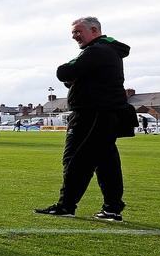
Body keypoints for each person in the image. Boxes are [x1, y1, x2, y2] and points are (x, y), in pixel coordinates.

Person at [34, 16, 134, 222]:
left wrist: (74, 76)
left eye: (78, 32)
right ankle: (112, 209)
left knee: (76, 159)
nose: (74, 36)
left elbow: (64, 72)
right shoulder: (108, 51)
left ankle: (66, 206)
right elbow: (71, 77)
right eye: (73, 33)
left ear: (94, 31)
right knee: (107, 163)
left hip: (92, 114)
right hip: (106, 114)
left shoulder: (96, 51)